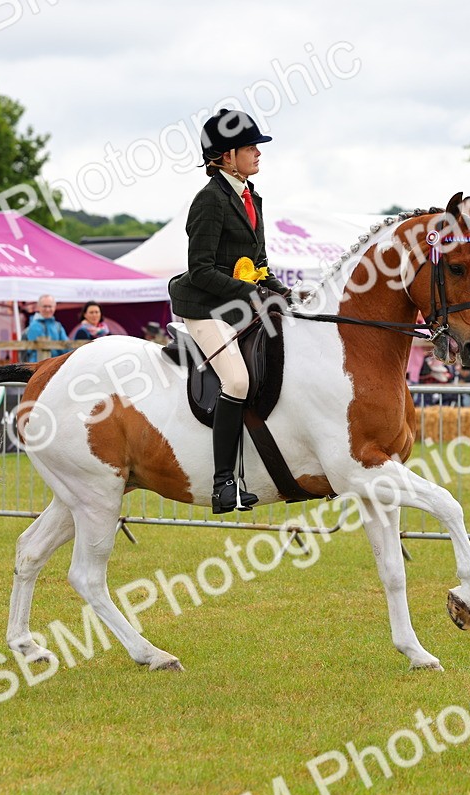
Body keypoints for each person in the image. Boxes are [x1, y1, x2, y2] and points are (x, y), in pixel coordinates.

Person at [168, 108, 290, 514]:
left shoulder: (252, 196)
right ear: (224, 156)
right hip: (204, 308)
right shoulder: (209, 201)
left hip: (237, 303)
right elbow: (200, 270)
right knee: (236, 381)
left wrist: (286, 294)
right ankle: (223, 484)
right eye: (250, 147)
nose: (258, 153)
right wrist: (251, 294)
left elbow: (259, 264)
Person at [22, 294, 69, 362]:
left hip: (56, 366)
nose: (47, 309)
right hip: (37, 366)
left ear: (54, 307)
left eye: (50, 306)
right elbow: (37, 349)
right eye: (44, 306)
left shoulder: (58, 326)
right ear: (38, 307)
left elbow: (67, 348)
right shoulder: (34, 326)